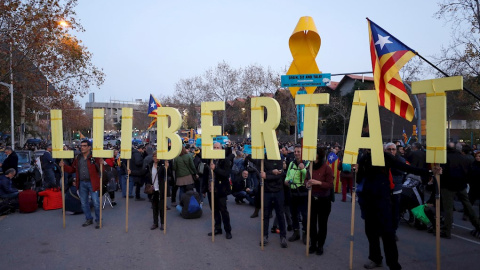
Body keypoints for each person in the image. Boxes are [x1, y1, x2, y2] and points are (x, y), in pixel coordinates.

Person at [356, 149, 438, 270]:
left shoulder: (386, 157)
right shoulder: (364, 159)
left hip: (383, 201)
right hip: (368, 202)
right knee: (371, 233)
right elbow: (358, 179)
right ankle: (375, 258)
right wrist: (356, 169)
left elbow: (406, 168)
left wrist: (430, 172)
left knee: (387, 234)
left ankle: (393, 264)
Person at [441, 143, 480, 239]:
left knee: (448, 209)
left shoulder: (445, 158)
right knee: (468, 207)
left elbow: (442, 172)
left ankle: (447, 231)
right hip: (461, 185)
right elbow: (469, 173)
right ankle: (478, 226)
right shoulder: (465, 158)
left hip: (448, 186)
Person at [61, 140, 103, 229]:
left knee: (96, 203)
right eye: (81, 146)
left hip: (92, 183)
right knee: (84, 203)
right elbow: (72, 169)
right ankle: (89, 218)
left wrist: (102, 163)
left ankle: (98, 220)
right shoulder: (78, 158)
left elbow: (102, 168)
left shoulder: (95, 157)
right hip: (82, 183)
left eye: (84, 146)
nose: (82, 147)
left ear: (89, 147)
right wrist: (63, 166)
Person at [306, 148, 333, 255]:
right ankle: (313, 244)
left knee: (322, 224)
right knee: (312, 223)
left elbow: (330, 185)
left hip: (324, 200)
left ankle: (320, 245)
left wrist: (318, 182)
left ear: (318, 155)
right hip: (312, 199)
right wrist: (307, 183)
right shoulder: (310, 166)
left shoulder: (327, 168)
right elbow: (306, 179)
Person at [205, 142, 232, 239]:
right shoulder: (210, 159)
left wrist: (215, 168)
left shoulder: (225, 160)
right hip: (210, 189)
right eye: (214, 147)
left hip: (221, 189)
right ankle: (217, 228)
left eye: (218, 147)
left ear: (221, 149)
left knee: (223, 210)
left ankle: (228, 230)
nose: (216, 149)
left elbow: (226, 174)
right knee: (214, 210)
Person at [260, 158, 288, 248]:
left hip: (278, 191)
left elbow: (279, 175)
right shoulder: (263, 159)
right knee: (265, 215)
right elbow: (261, 174)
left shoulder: (279, 159)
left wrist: (267, 175)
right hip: (267, 191)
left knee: (280, 214)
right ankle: (264, 236)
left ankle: (283, 237)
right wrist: (272, 172)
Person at [284, 144, 309, 244]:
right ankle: (296, 232)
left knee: (304, 215)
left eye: (298, 151)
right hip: (292, 191)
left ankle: (305, 234)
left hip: (302, 192)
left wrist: (303, 169)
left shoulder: (307, 163)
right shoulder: (291, 163)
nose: (296, 153)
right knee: (293, 214)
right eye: (295, 151)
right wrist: (286, 181)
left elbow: (308, 177)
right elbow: (288, 175)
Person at [148, 154, 167, 230]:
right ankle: (155, 223)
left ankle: (162, 223)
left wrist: (167, 167)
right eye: (154, 156)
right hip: (153, 189)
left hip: (161, 189)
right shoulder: (150, 165)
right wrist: (130, 172)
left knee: (161, 207)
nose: (155, 158)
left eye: (156, 156)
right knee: (154, 207)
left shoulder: (162, 165)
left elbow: (167, 175)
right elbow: (143, 173)